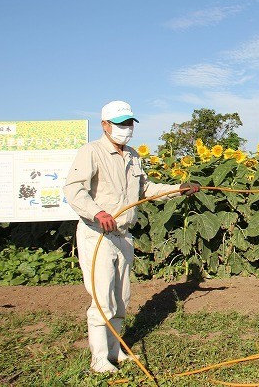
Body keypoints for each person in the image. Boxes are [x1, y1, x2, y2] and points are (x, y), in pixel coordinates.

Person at [63, 100, 200, 373]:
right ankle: (100, 359)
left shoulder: (133, 155)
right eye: (120, 124)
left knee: (121, 296)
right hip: (97, 234)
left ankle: (116, 350)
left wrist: (178, 188)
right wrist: (97, 212)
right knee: (102, 298)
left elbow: (146, 187)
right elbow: (74, 190)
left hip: (123, 234)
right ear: (105, 125)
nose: (126, 129)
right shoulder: (91, 152)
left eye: (129, 123)